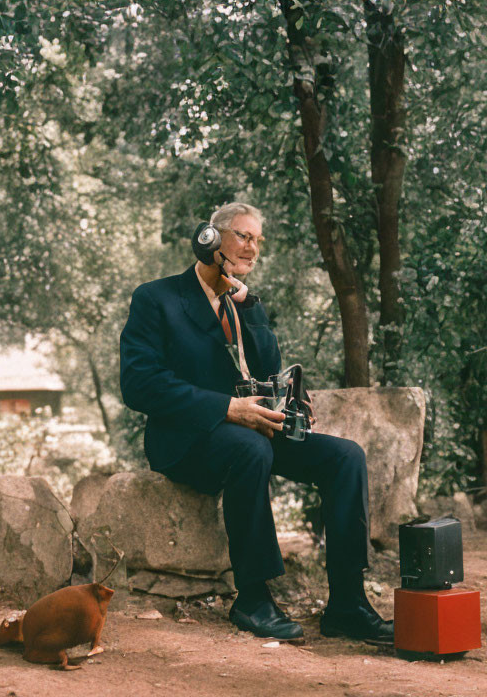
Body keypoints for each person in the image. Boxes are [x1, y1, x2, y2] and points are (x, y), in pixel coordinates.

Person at [119, 202, 392, 643]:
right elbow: (138, 384)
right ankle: (252, 597)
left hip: (251, 428)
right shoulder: (156, 298)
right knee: (251, 449)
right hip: (189, 439)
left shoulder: (243, 302)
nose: (253, 247)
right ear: (211, 238)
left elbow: (268, 366)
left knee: (346, 457)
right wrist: (228, 408)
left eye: (258, 240)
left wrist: (253, 313)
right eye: (244, 236)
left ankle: (348, 603)